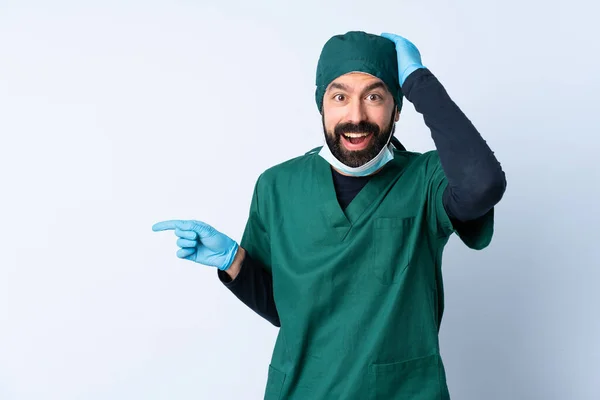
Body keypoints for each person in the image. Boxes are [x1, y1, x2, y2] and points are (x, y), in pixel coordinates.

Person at [153, 31, 506, 399]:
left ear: (397, 107)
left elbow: (483, 184)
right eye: (340, 97)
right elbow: (289, 313)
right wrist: (234, 261)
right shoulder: (278, 186)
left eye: (374, 96)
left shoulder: (426, 180)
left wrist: (419, 81)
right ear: (321, 105)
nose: (356, 116)